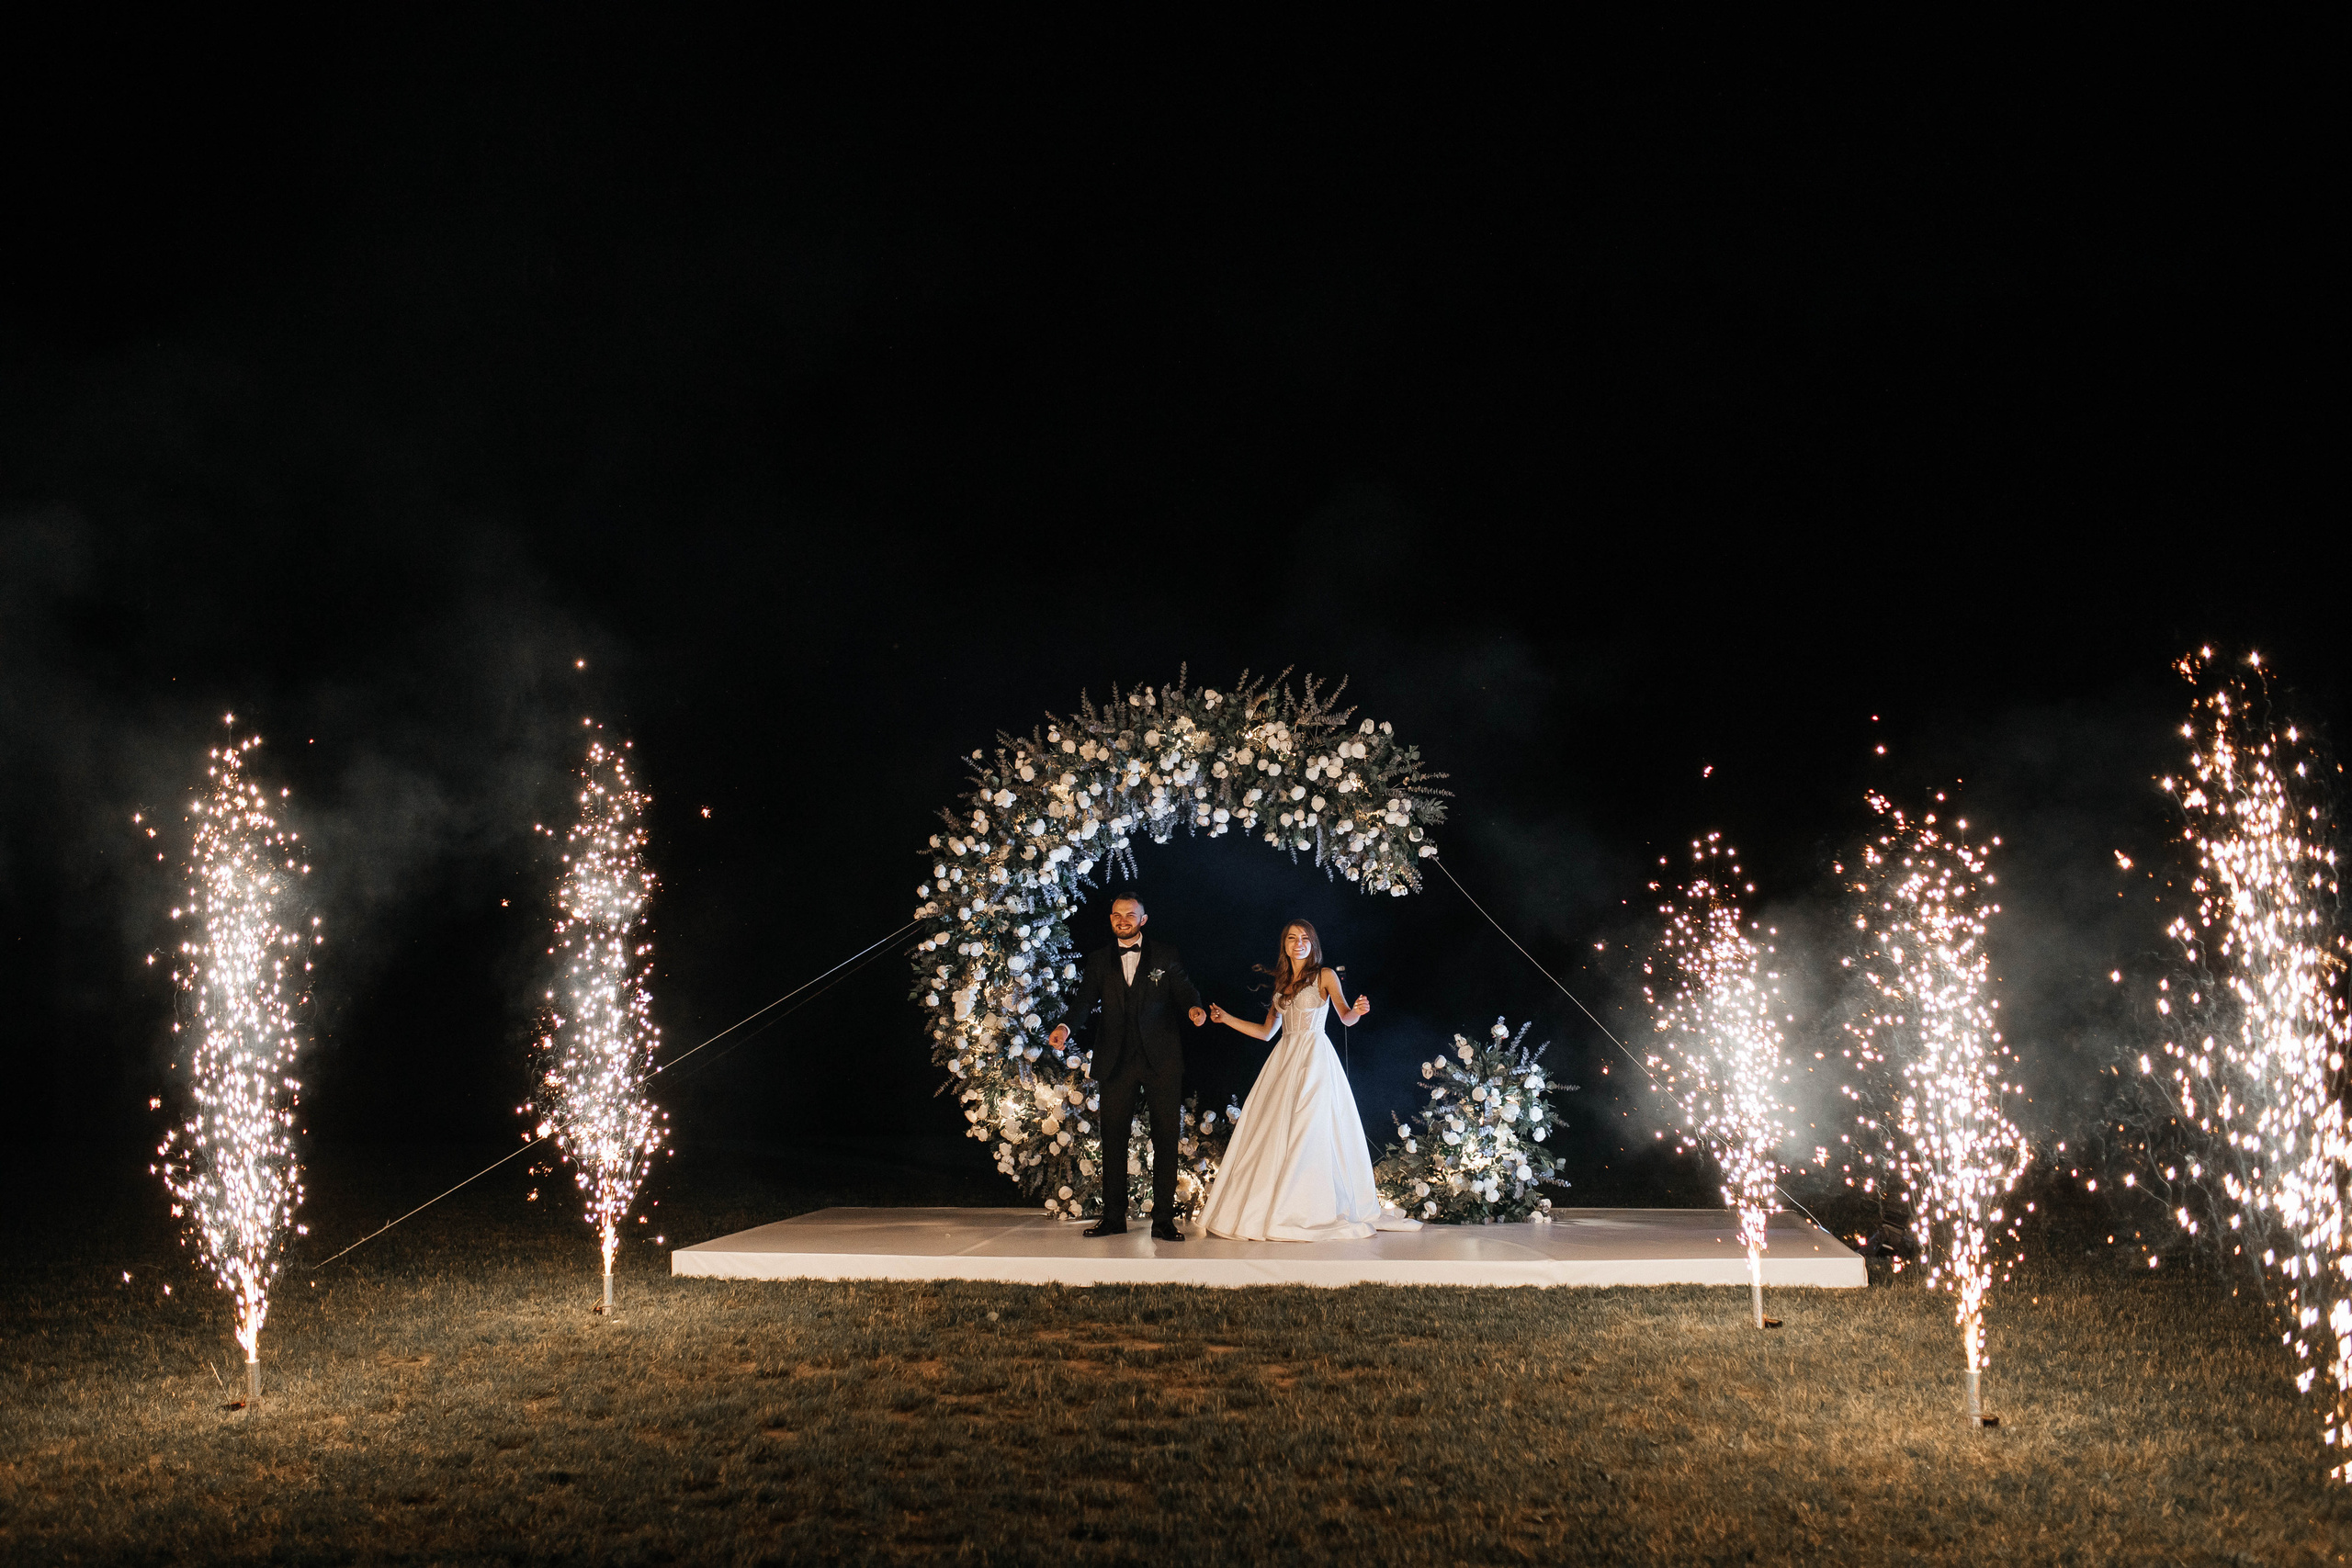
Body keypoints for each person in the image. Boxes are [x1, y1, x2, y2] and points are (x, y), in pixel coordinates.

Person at [1197, 919, 1421, 1241]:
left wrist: (1358, 1010)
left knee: (1308, 1125)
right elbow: (1265, 1033)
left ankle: (1303, 1208)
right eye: (1292, 938)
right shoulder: (1280, 985)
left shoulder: (1324, 976)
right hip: (1286, 1058)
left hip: (1314, 1056)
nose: (1298, 943)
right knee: (1275, 1130)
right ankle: (1274, 1206)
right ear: (1285, 945)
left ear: (1313, 944)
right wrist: (1225, 1018)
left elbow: (1345, 1016)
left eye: (1304, 938)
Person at [1046, 895, 1205, 1241]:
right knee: (1113, 1140)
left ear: (1143, 920)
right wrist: (1065, 1028)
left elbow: (1184, 989)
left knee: (1165, 1139)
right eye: (1117, 915)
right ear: (1111, 919)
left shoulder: (1164, 954)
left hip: (1161, 1059)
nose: (1123, 920)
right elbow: (1084, 1001)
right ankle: (1113, 1218)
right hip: (1116, 1060)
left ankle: (1163, 1221)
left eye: (1130, 915)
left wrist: (1195, 1009)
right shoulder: (1100, 959)